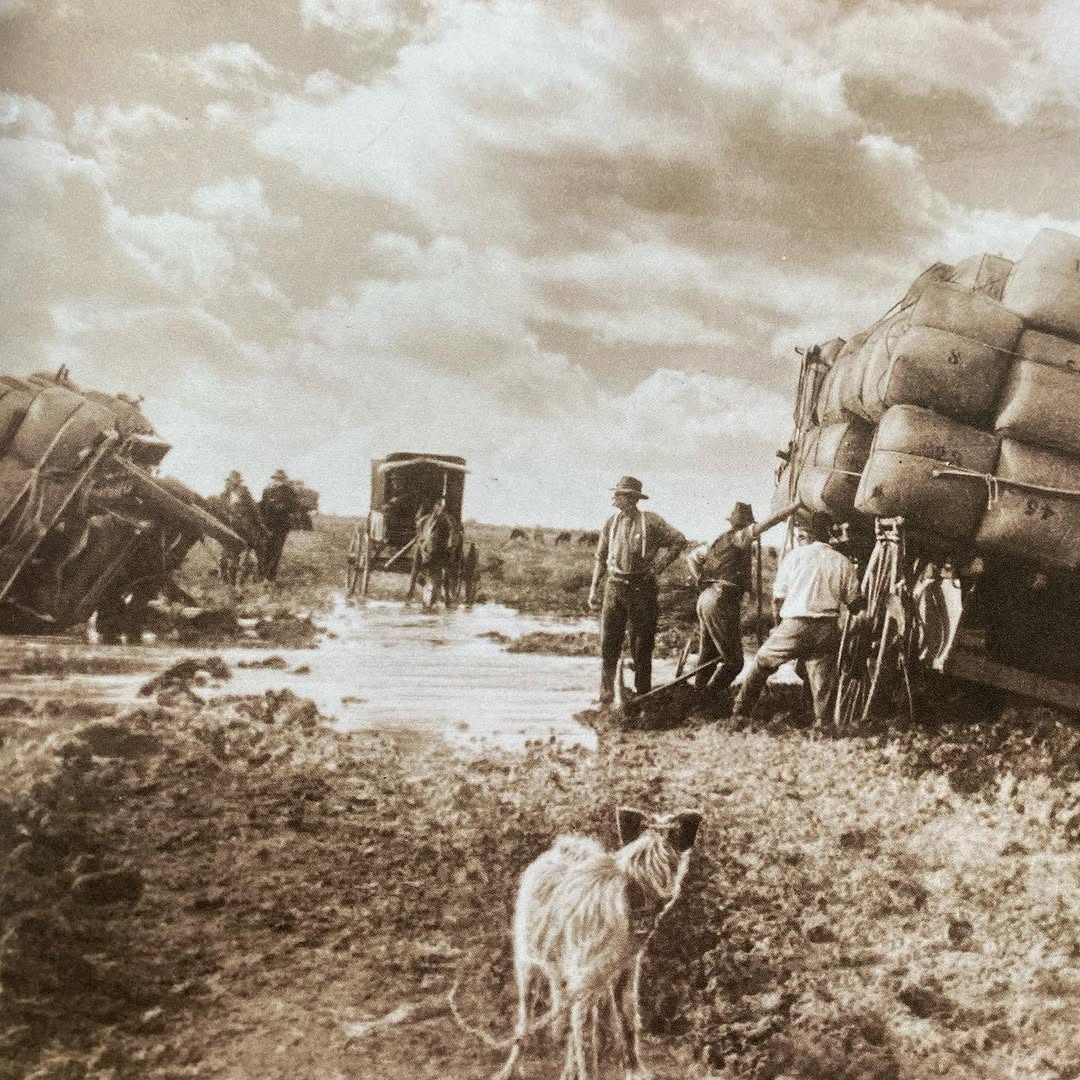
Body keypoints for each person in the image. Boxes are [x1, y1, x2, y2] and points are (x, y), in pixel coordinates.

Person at [731, 510, 861, 726]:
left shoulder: (795, 556)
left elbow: (778, 598)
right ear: (830, 535)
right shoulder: (842, 561)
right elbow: (855, 602)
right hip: (826, 626)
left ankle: (740, 712)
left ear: (810, 533)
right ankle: (822, 723)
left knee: (761, 662)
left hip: (795, 623)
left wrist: (778, 625)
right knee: (822, 682)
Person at [686, 499, 799, 704]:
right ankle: (707, 697)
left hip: (707, 598)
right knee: (735, 663)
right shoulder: (741, 537)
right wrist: (792, 508)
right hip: (721, 600)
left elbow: (692, 558)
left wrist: (700, 581)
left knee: (709, 653)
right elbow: (768, 523)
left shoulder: (718, 540)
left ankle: (697, 695)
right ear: (745, 524)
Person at [588, 476, 687, 704]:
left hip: (642, 589)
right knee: (608, 643)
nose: (614, 498)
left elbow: (679, 541)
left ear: (631, 498)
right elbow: (600, 558)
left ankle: (643, 695)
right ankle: (606, 695)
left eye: (619, 494)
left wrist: (659, 567)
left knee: (642, 643)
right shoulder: (610, 523)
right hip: (614, 587)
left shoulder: (651, 521)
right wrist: (594, 588)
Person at [258, 468, 302, 582]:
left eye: (280, 479)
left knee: (276, 550)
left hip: (281, 525)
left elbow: (295, 505)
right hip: (267, 524)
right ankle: (262, 575)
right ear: (273, 479)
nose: (278, 481)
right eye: (276, 478)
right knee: (265, 549)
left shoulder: (288, 490)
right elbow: (262, 505)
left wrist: (282, 506)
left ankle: (270, 577)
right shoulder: (267, 490)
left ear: (283, 480)